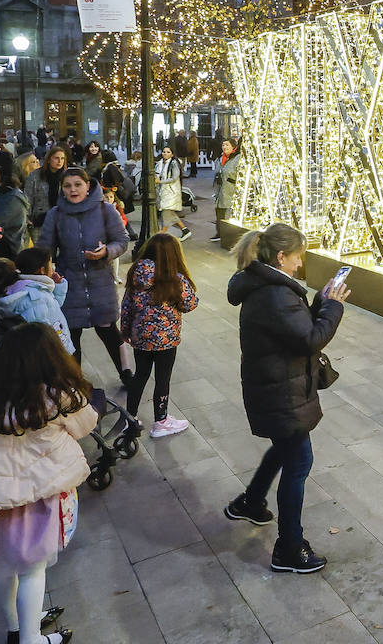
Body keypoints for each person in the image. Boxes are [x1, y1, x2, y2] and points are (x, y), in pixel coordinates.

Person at [0, 322, 92, 644]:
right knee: (32, 569)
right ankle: (30, 643)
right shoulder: (57, 396)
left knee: (3, 568)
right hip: (37, 501)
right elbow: (86, 424)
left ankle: (16, 626)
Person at [224, 224, 349, 574]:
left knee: (284, 448)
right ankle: (289, 548)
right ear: (281, 256)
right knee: (299, 463)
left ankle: (250, 502)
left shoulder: (268, 286)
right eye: (297, 257)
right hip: (281, 391)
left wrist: (321, 300)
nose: (299, 264)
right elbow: (310, 338)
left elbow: (294, 328)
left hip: (276, 387)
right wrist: (334, 308)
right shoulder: (276, 294)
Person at [37, 167, 132, 386]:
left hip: (101, 283)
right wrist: (48, 270)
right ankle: (74, 383)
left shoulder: (106, 210)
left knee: (109, 331)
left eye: (78, 185)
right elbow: (45, 248)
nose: (73, 190)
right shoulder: (56, 214)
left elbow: (122, 240)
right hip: (70, 285)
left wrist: (107, 251)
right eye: (67, 186)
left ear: (88, 186)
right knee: (70, 336)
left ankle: (126, 374)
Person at [121, 233, 197, 438]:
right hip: (166, 340)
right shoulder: (175, 279)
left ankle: (130, 418)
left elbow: (126, 305)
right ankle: (161, 420)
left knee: (140, 375)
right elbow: (190, 304)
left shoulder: (136, 275)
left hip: (141, 338)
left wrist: (126, 330)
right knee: (162, 379)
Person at [0, 250, 74, 355]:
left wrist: (59, 286)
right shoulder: (34, 297)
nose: (53, 268)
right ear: (42, 270)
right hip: (51, 355)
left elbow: (53, 310)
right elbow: (39, 335)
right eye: (51, 264)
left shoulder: (29, 289)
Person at [26, 145, 70, 230]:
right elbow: (28, 197)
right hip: (39, 220)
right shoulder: (35, 175)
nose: (59, 161)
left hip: (62, 220)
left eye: (62, 158)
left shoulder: (67, 176)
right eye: (56, 158)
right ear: (49, 159)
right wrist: (27, 219)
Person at [156, 146, 191, 240]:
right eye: (164, 152)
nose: (165, 154)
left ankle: (162, 232)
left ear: (172, 154)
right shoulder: (160, 163)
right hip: (163, 191)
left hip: (171, 192)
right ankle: (185, 230)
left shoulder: (174, 163)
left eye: (168, 152)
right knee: (169, 212)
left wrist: (160, 182)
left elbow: (174, 177)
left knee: (166, 211)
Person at [211, 137, 241, 242]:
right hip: (220, 190)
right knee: (219, 212)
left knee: (228, 214)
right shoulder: (221, 159)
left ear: (233, 147)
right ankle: (219, 233)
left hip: (231, 190)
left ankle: (230, 238)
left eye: (227, 145)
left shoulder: (238, 158)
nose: (224, 147)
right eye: (223, 145)